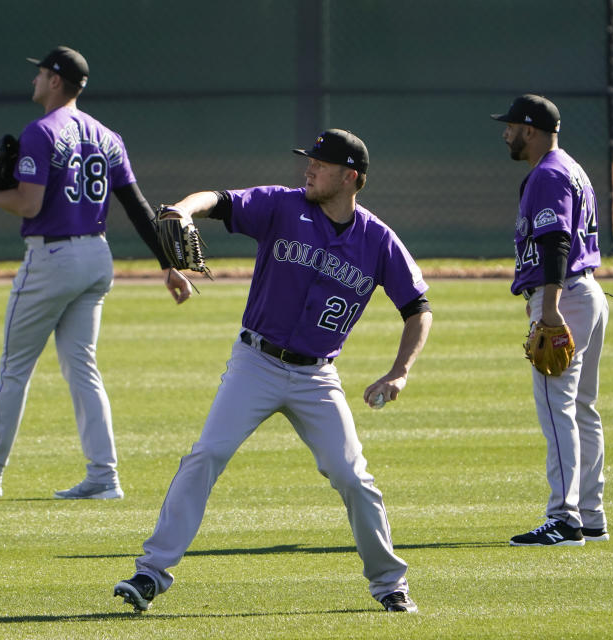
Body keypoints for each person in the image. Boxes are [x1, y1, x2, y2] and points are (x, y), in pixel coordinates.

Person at [113, 129, 433, 613]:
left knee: (352, 477)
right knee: (207, 455)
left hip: (316, 378)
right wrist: (182, 208)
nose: (308, 169)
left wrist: (400, 371)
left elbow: (419, 307)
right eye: (309, 161)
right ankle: (150, 573)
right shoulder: (283, 206)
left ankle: (390, 584)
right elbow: (218, 200)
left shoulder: (377, 239)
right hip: (255, 363)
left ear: (350, 177)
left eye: (319, 164)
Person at [0, 46, 193, 499]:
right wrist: (168, 265)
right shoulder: (108, 135)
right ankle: (103, 476)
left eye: (40, 73)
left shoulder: (41, 132)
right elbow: (138, 208)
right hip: (97, 257)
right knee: (82, 368)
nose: (34, 78)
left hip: (52, 258)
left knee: (15, 367)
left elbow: (28, 205)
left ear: (56, 80)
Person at [490, 94, 610, 546]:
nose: (505, 133)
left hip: (567, 298)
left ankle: (564, 518)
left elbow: (557, 241)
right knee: (582, 409)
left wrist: (550, 306)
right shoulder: (570, 167)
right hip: (587, 292)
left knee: (557, 408)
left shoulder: (547, 174)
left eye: (511, 126)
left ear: (531, 130)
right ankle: (591, 514)